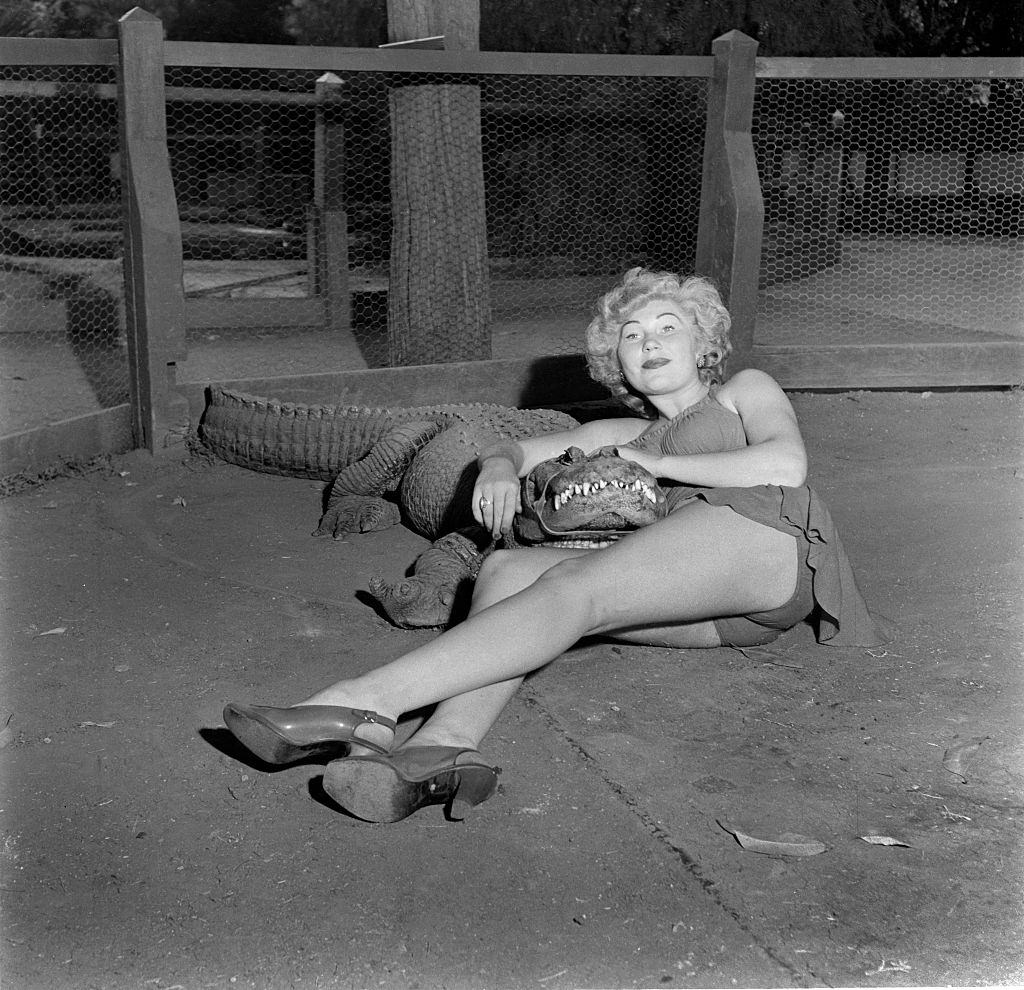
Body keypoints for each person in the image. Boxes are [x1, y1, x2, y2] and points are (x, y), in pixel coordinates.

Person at [222, 268, 890, 823]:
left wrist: (657, 467)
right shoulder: (622, 431)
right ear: (615, 357)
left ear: (703, 342)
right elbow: (511, 446)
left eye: (668, 327)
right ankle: (445, 745)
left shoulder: (745, 391)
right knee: (511, 567)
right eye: (632, 335)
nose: (649, 342)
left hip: (768, 541)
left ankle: (364, 700)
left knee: (579, 587)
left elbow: (786, 465)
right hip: (712, 608)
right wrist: (499, 467)